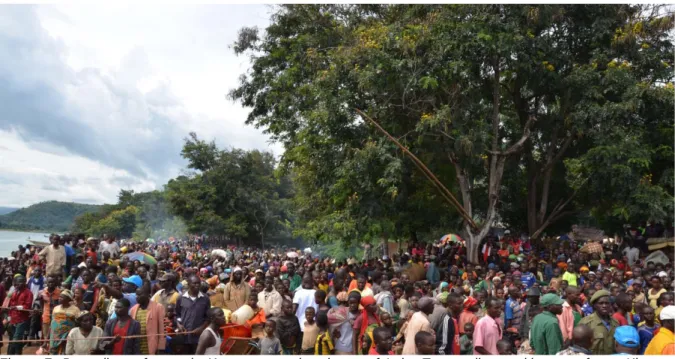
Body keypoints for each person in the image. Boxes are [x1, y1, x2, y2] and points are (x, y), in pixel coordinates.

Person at [175, 275, 211, 354]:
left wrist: (201, 328)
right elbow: (177, 315)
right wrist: (179, 325)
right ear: (188, 284)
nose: (197, 285)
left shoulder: (205, 298)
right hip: (184, 338)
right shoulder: (181, 298)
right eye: (194, 283)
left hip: (198, 338)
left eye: (198, 283)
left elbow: (208, 318)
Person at [578, 289, 619, 354]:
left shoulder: (615, 323)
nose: (604, 306)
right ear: (595, 305)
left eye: (607, 303)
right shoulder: (586, 323)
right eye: (601, 303)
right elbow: (579, 348)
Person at [130, 287, 165, 355]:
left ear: (147, 294)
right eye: (136, 295)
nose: (137, 297)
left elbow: (162, 329)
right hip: (137, 347)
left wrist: (161, 347)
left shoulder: (158, 307)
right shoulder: (133, 310)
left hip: (152, 346)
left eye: (140, 295)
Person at [7, 275, 34, 355]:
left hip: (22, 319)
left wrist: (16, 307)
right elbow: (10, 305)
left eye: (23, 281)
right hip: (13, 318)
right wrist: (9, 316)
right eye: (19, 282)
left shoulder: (28, 293)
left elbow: (27, 306)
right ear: (15, 283)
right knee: (12, 338)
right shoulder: (14, 292)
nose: (21, 283)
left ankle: (11, 354)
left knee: (16, 339)